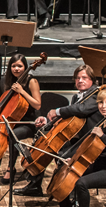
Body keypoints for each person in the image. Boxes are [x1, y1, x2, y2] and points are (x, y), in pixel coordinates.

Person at [25, 64, 101, 196]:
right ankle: (34, 185)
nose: (80, 81)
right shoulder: (77, 96)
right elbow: (70, 119)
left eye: (84, 77)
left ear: (92, 80)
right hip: (75, 135)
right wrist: (49, 122)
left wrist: (58, 111)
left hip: (86, 138)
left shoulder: (95, 95)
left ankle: (69, 193)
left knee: (62, 155)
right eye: (77, 78)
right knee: (44, 144)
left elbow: (81, 110)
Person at [0, 53, 43, 185]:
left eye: (19, 66)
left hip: (29, 122)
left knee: (13, 135)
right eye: (13, 66)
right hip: (13, 120)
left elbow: (37, 104)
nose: (16, 69)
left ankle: (10, 168)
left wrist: (22, 91)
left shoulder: (31, 81)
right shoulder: (8, 81)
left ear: (25, 67)